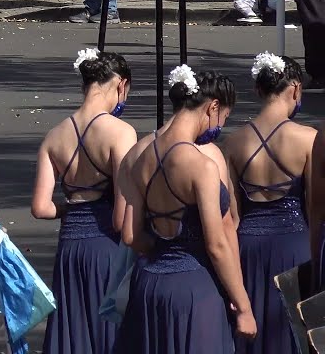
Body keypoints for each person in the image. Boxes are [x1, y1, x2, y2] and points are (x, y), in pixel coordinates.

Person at [114, 66, 255, 352]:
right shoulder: (201, 165)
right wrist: (243, 307)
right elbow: (217, 244)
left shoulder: (136, 158)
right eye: (223, 118)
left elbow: (130, 235)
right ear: (212, 107)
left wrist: (163, 249)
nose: (219, 127)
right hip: (195, 287)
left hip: (149, 285)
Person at [32, 49, 137, 354]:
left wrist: (69, 209)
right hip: (106, 246)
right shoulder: (120, 133)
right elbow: (121, 215)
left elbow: (40, 207)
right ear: (121, 85)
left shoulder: (54, 137)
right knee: (108, 329)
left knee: (74, 326)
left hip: (70, 247)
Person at [224, 53, 310, 354]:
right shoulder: (308, 139)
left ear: (259, 91)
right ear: (296, 89)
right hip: (296, 247)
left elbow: (231, 215)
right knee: (295, 333)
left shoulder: (233, 142)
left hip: (248, 251)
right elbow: (316, 207)